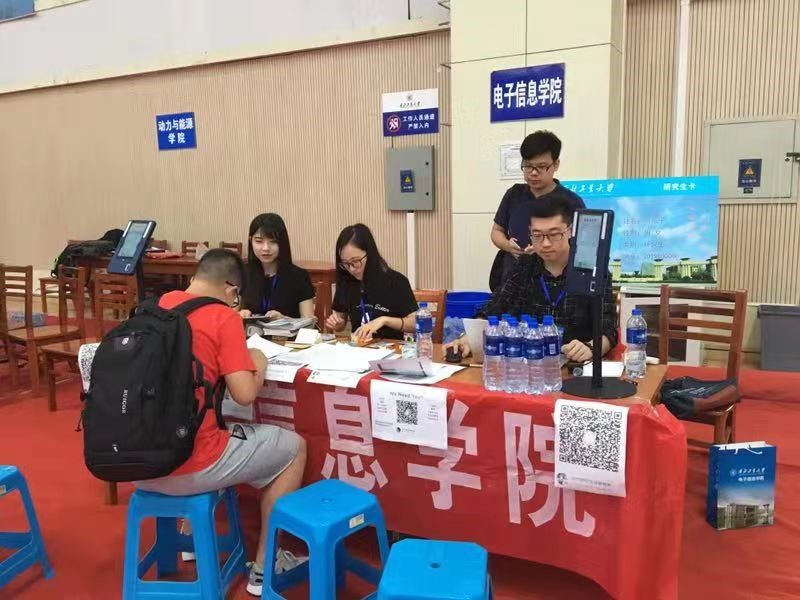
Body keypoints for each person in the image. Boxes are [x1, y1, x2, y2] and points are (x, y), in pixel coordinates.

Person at [135, 249, 307, 596]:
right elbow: (244, 394)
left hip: (138, 461)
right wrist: (258, 360)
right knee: (294, 448)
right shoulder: (222, 317)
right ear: (231, 291)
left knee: (204, 421)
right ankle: (265, 568)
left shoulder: (156, 306)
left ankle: (189, 540)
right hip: (190, 465)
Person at [452, 192, 617, 362]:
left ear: (570, 231)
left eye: (554, 234)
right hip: (529, 364)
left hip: (574, 364)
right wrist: (467, 338)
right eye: (537, 235)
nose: (545, 243)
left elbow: (609, 329)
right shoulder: (525, 266)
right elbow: (494, 306)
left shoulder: (591, 270)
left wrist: (590, 348)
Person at [491, 130, 586, 289]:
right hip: (512, 280)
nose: (533, 173)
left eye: (541, 167)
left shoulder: (571, 202)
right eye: (528, 166)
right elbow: (496, 231)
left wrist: (544, 250)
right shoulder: (514, 194)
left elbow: (582, 247)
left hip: (553, 284)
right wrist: (507, 245)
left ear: (556, 164)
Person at [324, 223, 418, 342]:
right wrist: (337, 323)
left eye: (355, 261)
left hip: (392, 347)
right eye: (345, 263)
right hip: (359, 347)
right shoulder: (346, 281)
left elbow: (415, 323)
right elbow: (340, 323)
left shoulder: (396, 281)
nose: (351, 269)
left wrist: (384, 320)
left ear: (370, 254)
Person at [239, 213, 315, 320]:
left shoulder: (299, 276)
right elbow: (227, 315)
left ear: (283, 243)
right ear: (250, 240)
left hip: (288, 331)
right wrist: (239, 314)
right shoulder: (241, 273)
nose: (266, 248)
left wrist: (284, 319)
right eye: (259, 241)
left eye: (273, 242)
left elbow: (309, 321)